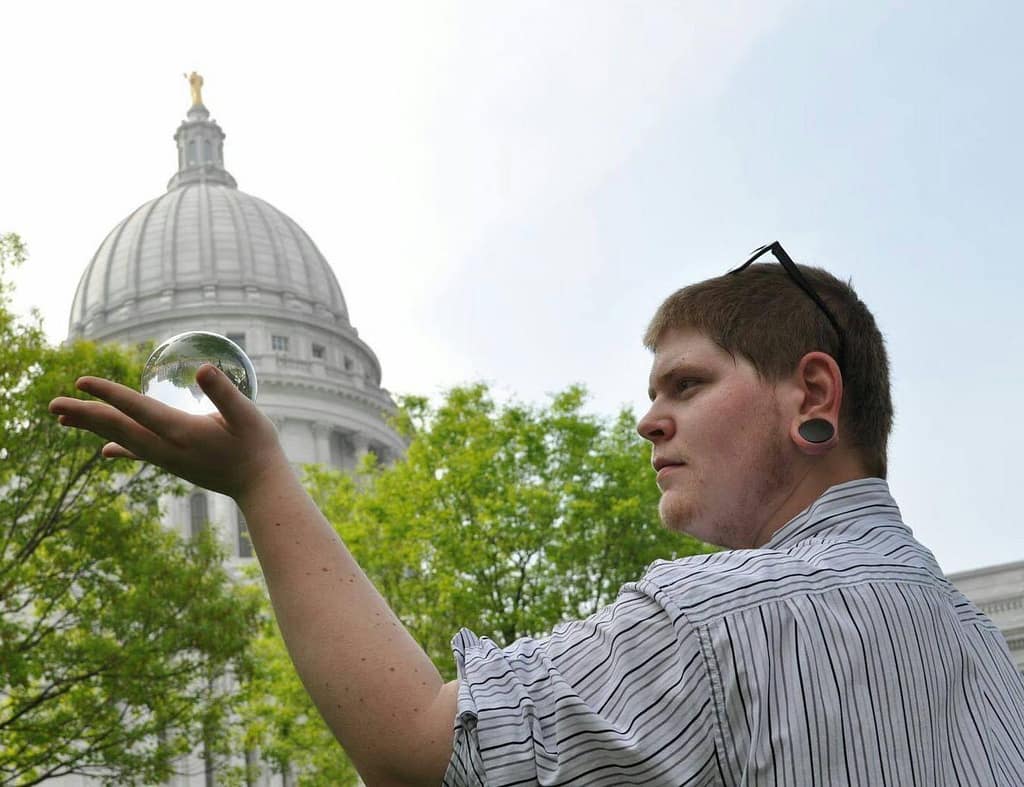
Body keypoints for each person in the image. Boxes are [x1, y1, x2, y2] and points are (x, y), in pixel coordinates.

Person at [49, 242, 1024, 786]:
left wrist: (263, 479)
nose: (648, 420)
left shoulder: (715, 619)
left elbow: (424, 749)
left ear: (812, 395)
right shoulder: (979, 652)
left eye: (687, 384)